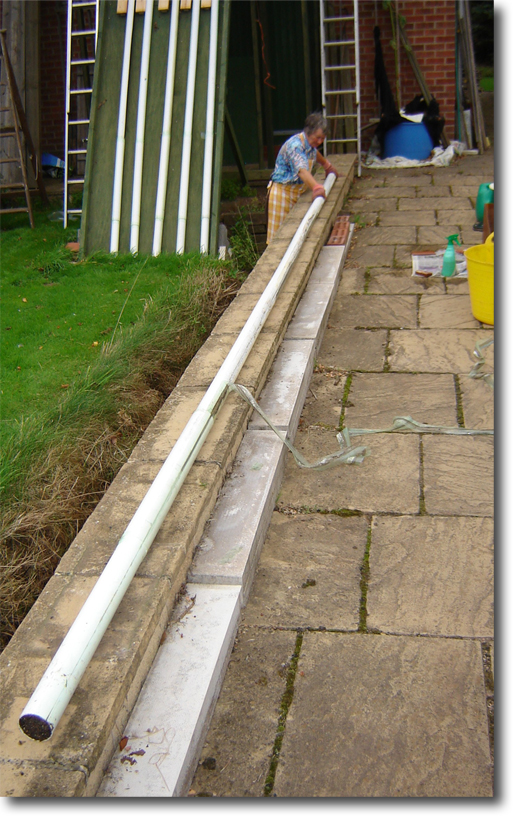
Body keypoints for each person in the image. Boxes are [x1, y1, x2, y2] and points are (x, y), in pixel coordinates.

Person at [266, 112, 339, 244]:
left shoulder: (310, 145)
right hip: (282, 194)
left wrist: (327, 165)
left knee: (295, 235)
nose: (320, 141)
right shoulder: (295, 146)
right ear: (308, 132)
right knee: (278, 239)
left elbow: (315, 154)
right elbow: (301, 170)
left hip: (297, 192)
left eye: (323, 138)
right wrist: (316, 187)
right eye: (318, 138)